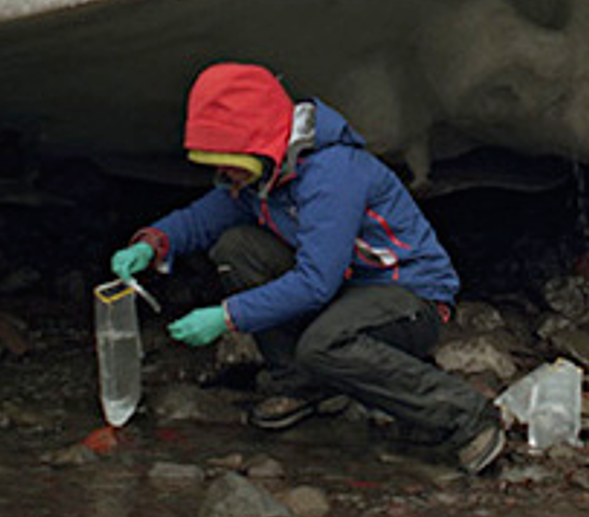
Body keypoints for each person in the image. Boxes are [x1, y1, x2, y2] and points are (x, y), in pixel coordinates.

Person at [98, 62, 488, 461]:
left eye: (227, 160)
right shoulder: (260, 175)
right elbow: (204, 218)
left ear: (256, 147)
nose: (221, 171)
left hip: (406, 294)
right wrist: (152, 243)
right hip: (346, 288)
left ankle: (467, 417)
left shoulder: (331, 174)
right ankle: (303, 387)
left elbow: (315, 282)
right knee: (237, 248)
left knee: (325, 344)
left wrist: (227, 316)